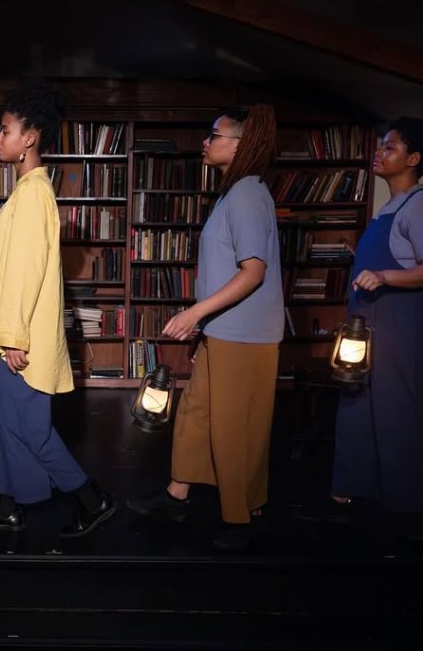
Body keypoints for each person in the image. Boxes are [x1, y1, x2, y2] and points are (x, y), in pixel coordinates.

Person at [0, 79, 115, 538]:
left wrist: (12, 338)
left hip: (16, 338)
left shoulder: (31, 195)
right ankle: (7, 506)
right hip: (3, 334)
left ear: (29, 138)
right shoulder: (26, 192)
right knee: (2, 426)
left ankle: (94, 499)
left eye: (5, 130)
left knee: (31, 430)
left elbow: (25, 273)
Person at [126, 105, 283, 552]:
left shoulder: (250, 194)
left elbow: (253, 272)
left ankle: (241, 519)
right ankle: (177, 494)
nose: (206, 142)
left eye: (214, 135)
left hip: (246, 334)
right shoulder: (234, 195)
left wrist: (194, 314)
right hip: (224, 331)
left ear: (239, 144)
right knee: (196, 415)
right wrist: (205, 326)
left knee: (235, 428)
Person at [305, 117, 423, 525]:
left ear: (414, 158)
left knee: (401, 408)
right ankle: (350, 487)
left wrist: (386, 276)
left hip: (402, 323)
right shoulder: (390, 206)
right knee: (357, 402)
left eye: (390, 147)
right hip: (369, 322)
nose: (379, 152)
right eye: (380, 145)